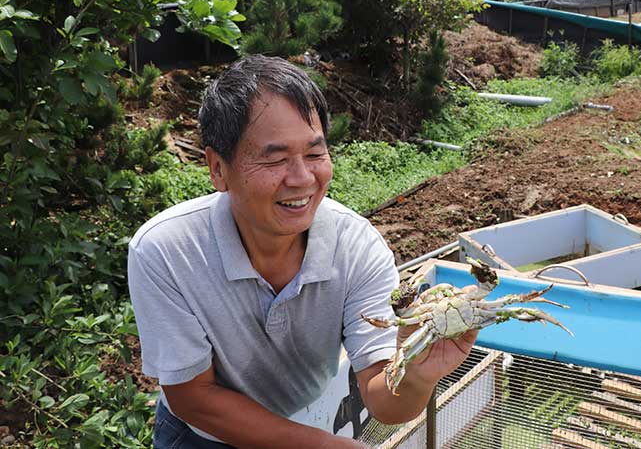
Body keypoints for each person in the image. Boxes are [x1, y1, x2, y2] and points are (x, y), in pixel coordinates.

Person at [127, 55, 477, 448]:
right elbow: (192, 397)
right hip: (201, 434)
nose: (302, 179)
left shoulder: (357, 248)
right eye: (275, 159)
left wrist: (415, 375)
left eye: (314, 154)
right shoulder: (166, 250)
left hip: (301, 419)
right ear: (218, 168)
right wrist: (323, 445)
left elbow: (384, 400)